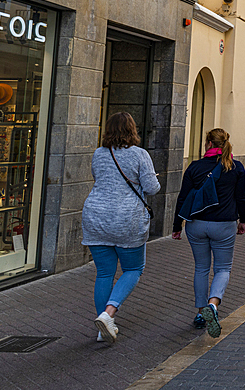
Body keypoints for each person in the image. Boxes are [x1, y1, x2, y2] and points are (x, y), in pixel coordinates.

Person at [81, 112, 161, 344]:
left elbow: (99, 177)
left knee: (104, 273)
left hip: (96, 217)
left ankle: (102, 327)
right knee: (133, 269)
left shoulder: (99, 153)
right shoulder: (140, 154)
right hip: (127, 219)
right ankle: (108, 314)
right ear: (132, 130)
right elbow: (152, 188)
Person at [172, 128, 245, 338]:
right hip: (224, 224)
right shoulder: (236, 167)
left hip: (196, 225)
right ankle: (213, 305)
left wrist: (177, 226)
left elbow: (183, 198)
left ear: (208, 143)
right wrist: (243, 221)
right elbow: (241, 198)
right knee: (223, 268)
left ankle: (199, 313)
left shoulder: (194, 167)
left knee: (201, 268)